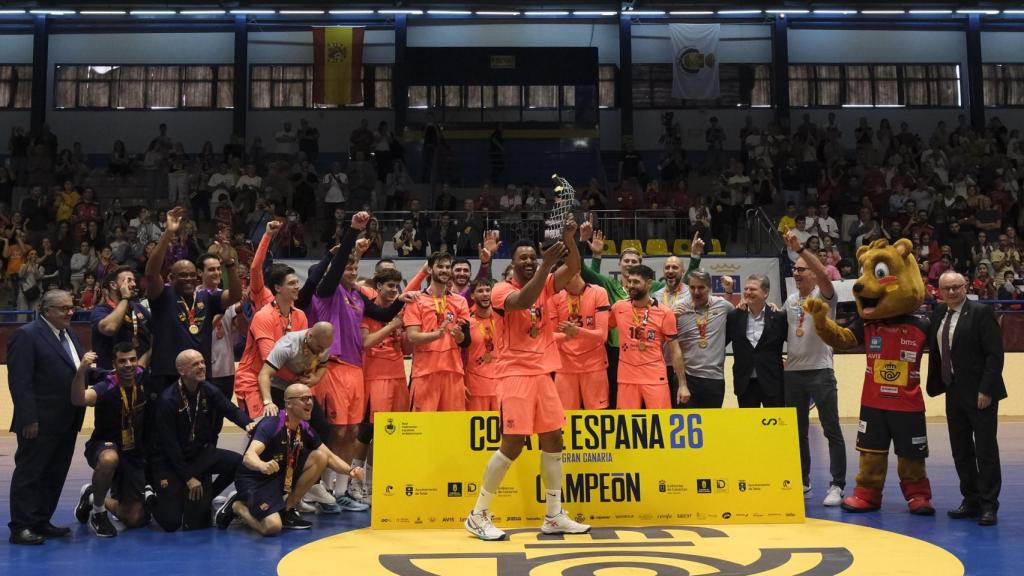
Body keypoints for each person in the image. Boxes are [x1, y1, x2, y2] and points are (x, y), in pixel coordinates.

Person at [464, 217, 587, 541]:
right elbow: (524, 302)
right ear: (513, 264)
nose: (530, 261)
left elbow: (574, 267)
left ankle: (554, 515)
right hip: (513, 374)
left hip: (541, 373)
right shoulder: (502, 290)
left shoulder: (546, 282)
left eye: (533, 257)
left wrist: (570, 239)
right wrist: (546, 265)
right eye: (524, 258)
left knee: (554, 439)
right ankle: (478, 514)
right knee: (513, 444)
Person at [312, 212, 409, 511]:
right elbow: (339, 262)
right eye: (348, 267)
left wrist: (407, 298)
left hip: (356, 367)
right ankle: (321, 486)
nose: (352, 271)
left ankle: (342, 490)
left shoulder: (356, 296)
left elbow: (383, 313)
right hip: (334, 365)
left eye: (356, 267)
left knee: (353, 430)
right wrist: (353, 232)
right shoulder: (327, 291)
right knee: (336, 430)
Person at [216, 383, 366, 535]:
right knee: (272, 527)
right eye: (304, 399)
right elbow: (249, 456)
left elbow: (330, 457)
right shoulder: (272, 424)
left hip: (281, 476)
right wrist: (262, 465)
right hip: (256, 481)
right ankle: (238, 506)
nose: (310, 402)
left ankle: (287, 510)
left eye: (310, 398)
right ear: (289, 403)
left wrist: (351, 471)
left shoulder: (304, 427)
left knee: (320, 457)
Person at [927, 271, 1006, 526]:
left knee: (985, 450)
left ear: (966, 287)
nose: (951, 292)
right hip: (953, 391)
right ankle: (971, 500)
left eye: (956, 287)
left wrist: (986, 390)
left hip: (980, 393)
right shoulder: (939, 313)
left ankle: (989, 505)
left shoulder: (981, 312)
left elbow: (995, 355)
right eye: (946, 288)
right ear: (939, 291)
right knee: (960, 450)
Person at [7, 290, 84, 545]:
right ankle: (21, 526)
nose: (70, 312)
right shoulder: (26, 335)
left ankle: (40, 520)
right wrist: (28, 418)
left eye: (71, 307)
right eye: (64, 308)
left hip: (67, 418)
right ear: (46, 310)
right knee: (30, 473)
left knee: (55, 473)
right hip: (38, 422)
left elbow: (75, 371)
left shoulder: (70, 334)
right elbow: (20, 382)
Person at [149, 350, 254, 532]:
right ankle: (149, 496)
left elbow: (231, 410)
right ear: (181, 371)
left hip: (198, 454)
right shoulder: (168, 400)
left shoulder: (208, 390)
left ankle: (207, 496)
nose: (202, 367)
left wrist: (250, 425)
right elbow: (170, 446)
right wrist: (188, 478)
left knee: (239, 463)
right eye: (195, 364)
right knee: (171, 523)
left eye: (203, 362)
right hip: (169, 461)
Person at [145, 207, 242, 396]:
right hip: (167, 374)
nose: (188, 279)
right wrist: (169, 233)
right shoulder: (162, 295)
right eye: (182, 275)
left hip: (200, 375)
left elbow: (235, 296)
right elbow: (151, 272)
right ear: (171, 278)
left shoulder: (207, 297)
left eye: (191, 275)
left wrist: (229, 264)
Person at [782, 230, 847, 506]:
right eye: (795, 270)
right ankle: (803, 480)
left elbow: (824, 275)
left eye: (802, 270)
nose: (797, 273)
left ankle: (837, 484)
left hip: (820, 370)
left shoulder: (825, 295)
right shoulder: (790, 301)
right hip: (793, 373)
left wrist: (800, 250)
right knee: (797, 432)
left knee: (831, 428)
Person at [70, 344, 150, 537]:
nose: (128, 365)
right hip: (104, 446)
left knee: (135, 518)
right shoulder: (106, 385)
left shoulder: (141, 376)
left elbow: (146, 358)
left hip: (132, 455)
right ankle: (98, 513)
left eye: (132, 359)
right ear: (114, 364)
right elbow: (79, 399)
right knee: (109, 459)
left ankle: (92, 496)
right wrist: (81, 371)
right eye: (122, 361)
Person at [609, 265, 687, 409]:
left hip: (655, 377)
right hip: (627, 378)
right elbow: (602, 329)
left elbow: (675, 350)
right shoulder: (618, 308)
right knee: (627, 421)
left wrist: (682, 385)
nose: (631, 285)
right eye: (629, 281)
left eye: (636, 282)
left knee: (660, 420)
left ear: (649, 283)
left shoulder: (665, 313)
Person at [404, 251, 472, 412]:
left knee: (453, 424)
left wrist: (459, 336)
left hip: (453, 372)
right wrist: (437, 334)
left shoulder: (460, 301)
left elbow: (465, 341)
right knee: (423, 424)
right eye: (440, 266)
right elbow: (412, 336)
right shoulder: (416, 300)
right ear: (429, 269)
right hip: (425, 373)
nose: (445, 270)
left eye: (448, 267)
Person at [672, 270, 734, 408]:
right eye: (692, 287)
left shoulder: (722, 305)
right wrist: (671, 319)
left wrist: (729, 291)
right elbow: (667, 339)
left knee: (711, 420)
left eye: (701, 287)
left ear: (709, 287)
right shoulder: (678, 307)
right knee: (686, 420)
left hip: (714, 378)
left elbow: (739, 317)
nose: (696, 292)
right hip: (686, 378)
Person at [725, 274, 787, 408]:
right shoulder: (734, 317)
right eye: (746, 289)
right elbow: (721, 343)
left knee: (775, 421)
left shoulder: (779, 317)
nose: (748, 292)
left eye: (753, 289)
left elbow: (794, 343)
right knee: (748, 422)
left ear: (765, 293)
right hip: (744, 383)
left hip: (773, 382)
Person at [551, 273, 610, 409]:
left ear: (576, 272)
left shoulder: (598, 292)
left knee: (597, 416)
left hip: (594, 365)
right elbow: (549, 336)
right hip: (564, 367)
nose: (561, 282)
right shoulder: (555, 296)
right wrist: (566, 336)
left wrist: (577, 331)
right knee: (565, 416)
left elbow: (602, 336)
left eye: (565, 277)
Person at [90, 266, 152, 370]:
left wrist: (144, 361)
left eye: (134, 280)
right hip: (111, 374)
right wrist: (125, 298)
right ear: (113, 285)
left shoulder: (139, 308)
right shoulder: (101, 310)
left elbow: (156, 336)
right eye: (128, 281)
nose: (134, 284)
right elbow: (110, 328)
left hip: (140, 372)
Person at [465, 278, 501, 410]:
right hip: (475, 387)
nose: (485, 294)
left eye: (488, 290)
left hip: (500, 384)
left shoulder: (502, 318)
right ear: (472, 295)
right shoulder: (467, 321)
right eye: (480, 291)